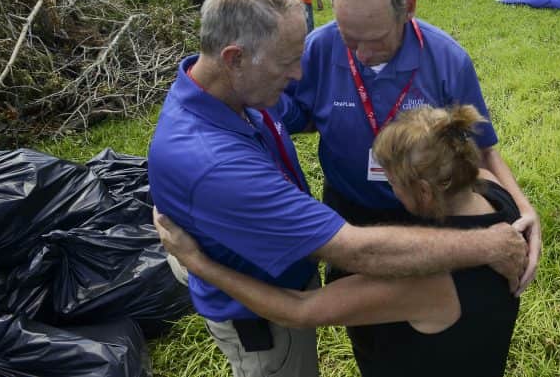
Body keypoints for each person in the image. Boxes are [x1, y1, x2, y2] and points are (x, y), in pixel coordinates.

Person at [148, 0, 527, 377]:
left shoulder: (242, 94)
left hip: (286, 293)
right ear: (234, 58)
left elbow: (305, 307)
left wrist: (198, 263)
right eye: (288, 61)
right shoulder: (216, 163)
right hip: (258, 311)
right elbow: (354, 250)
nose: (299, 76)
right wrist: (491, 239)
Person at [155, 103, 519, 377]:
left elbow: (297, 310)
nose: (389, 192)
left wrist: (199, 263)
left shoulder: (425, 280)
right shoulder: (496, 195)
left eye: (391, 183)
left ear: (424, 191)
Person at [287, 0, 542, 290]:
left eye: (376, 40)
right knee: (360, 320)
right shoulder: (316, 50)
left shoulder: (447, 60)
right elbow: (287, 117)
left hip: (428, 212)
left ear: (408, 9)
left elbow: (483, 150)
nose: (362, 55)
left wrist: (524, 209)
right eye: (349, 39)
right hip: (350, 212)